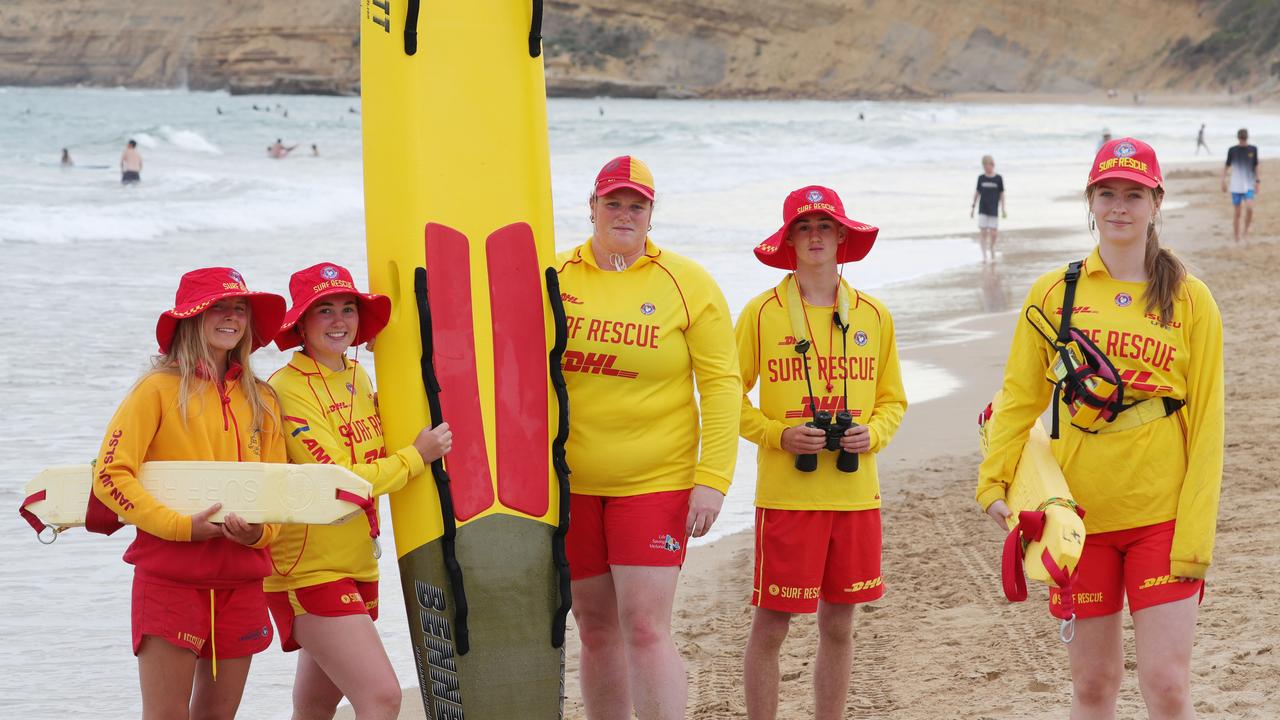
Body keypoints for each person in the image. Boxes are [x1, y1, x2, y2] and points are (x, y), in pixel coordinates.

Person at [977, 138, 1224, 718]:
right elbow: (1018, 397)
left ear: (1155, 203)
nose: (1120, 206)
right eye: (1108, 193)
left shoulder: (1190, 300)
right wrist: (994, 480)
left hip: (1161, 520)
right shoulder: (1056, 292)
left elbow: (1209, 423)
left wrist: (1196, 535)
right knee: (1092, 686)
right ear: (1090, 201)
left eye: (1133, 194)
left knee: (1166, 686)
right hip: (1076, 520)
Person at [555, 156, 740, 720]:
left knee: (643, 624)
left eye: (636, 205)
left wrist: (712, 480)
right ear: (591, 207)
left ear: (652, 215)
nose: (624, 214)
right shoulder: (555, 276)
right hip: (571, 486)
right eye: (613, 203)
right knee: (593, 626)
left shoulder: (687, 283)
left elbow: (723, 386)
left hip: (654, 482)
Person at [736, 186, 906, 720]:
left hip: (856, 495)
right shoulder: (761, 314)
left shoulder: (874, 315)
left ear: (841, 237)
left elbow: (892, 401)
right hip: (789, 495)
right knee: (772, 623)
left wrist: (872, 434)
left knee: (839, 624)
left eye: (825, 226)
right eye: (804, 227)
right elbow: (726, 398)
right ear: (789, 241)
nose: (815, 236)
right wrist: (777, 434)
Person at [92, 267, 289, 719]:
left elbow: (281, 489)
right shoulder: (156, 390)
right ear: (189, 318)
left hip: (242, 580)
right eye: (217, 307)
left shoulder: (262, 398)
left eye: (239, 308)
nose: (231, 317)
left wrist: (260, 532)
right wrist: (181, 527)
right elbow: (110, 476)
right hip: (171, 579)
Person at [265, 262, 452, 720]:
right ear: (301, 324)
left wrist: (393, 349)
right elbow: (341, 481)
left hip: (356, 560)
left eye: (348, 310)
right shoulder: (285, 390)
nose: (339, 321)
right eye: (324, 311)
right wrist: (416, 456)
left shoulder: (358, 376)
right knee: (382, 696)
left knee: (315, 706)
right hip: (307, 569)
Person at [1221, 128, 1259, 243]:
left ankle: (1246, 232)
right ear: (1238, 138)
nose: (1243, 141)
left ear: (1247, 138)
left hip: (1249, 185)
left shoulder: (1253, 149)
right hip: (1236, 186)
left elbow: (1256, 166)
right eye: (1242, 138)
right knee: (1237, 213)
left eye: (1244, 138)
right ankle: (1236, 237)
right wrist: (1223, 181)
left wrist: (1258, 181)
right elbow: (1226, 166)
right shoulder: (1232, 150)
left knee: (1250, 208)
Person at [970, 155, 1007, 263]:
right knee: (983, 232)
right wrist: (973, 207)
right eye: (984, 165)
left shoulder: (998, 178)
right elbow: (977, 193)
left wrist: (1003, 208)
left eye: (988, 165)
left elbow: (1002, 194)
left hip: (993, 209)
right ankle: (984, 255)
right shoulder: (981, 178)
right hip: (983, 208)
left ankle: (991, 247)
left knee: (993, 233)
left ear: (992, 165)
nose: (986, 167)